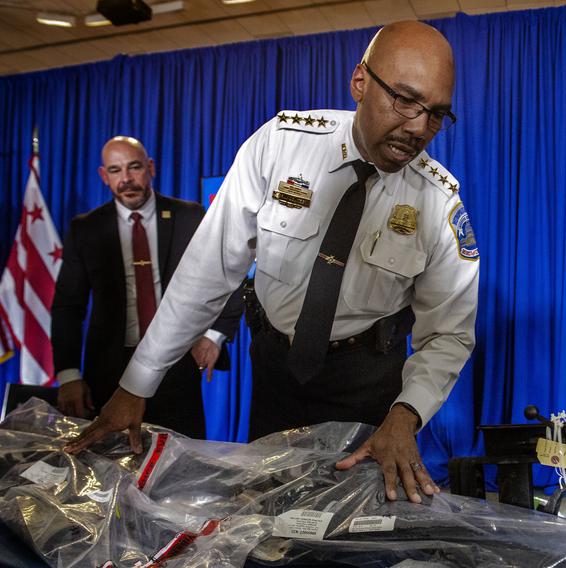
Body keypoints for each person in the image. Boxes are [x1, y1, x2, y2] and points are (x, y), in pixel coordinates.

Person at [65, 21, 480, 506]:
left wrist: (405, 415)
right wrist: (136, 385)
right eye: (405, 101)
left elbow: (449, 331)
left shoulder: (439, 199)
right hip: (276, 374)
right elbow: (207, 272)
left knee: (356, 535)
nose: (417, 128)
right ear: (360, 83)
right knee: (267, 521)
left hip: (369, 388)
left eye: (435, 114)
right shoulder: (280, 145)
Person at [52, 136, 243, 439]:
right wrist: (68, 374)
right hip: (108, 374)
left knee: (180, 469)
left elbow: (227, 274)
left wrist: (214, 335)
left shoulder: (189, 216)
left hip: (175, 366)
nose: (126, 179)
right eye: (115, 171)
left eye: (134, 167)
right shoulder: (86, 229)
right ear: (104, 176)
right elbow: (67, 307)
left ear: (150, 167)